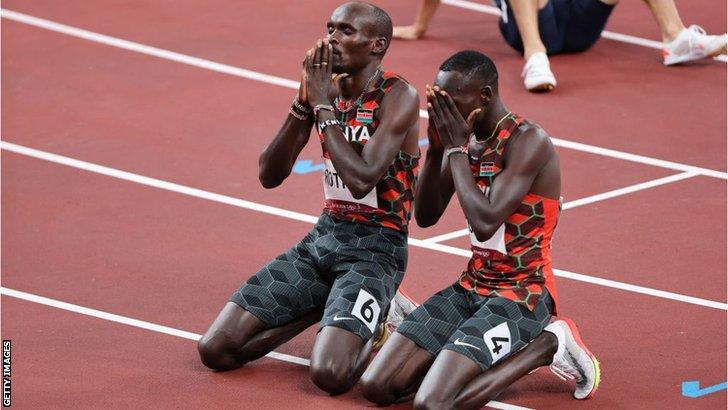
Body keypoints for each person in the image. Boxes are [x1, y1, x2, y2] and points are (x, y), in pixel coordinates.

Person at [197, 1, 421, 396]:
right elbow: (269, 175)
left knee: (330, 376)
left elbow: (361, 179)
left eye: (346, 31)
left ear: (377, 45)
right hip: (324, 238)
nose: (331, 38)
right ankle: (326, 303)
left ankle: (379, 319)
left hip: (376, 250)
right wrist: (304, 101)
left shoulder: (397, 95)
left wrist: (321, 106)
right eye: (330, 28)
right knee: (216, 349)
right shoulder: (324, 91)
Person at [360, 50, 599, 408]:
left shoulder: (526, 141)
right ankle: (461, 348)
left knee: (435, 403)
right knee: (377, 386)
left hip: (522, 295)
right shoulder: (465, 142)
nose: (445, 113)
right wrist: (438, 148)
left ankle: (548, 345)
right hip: (471, 286)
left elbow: (485, 221)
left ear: (484, 96)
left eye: (451, 103)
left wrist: (455, 149)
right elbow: (424, 216)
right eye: (438, 103)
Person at [393, 0, 728, 91]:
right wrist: (420, 26)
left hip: (579, 22)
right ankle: (535, 56)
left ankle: (676, 37)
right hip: (531, 25)